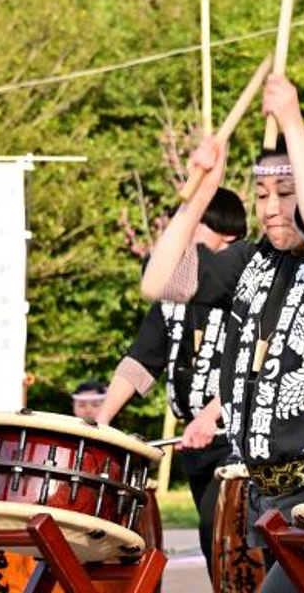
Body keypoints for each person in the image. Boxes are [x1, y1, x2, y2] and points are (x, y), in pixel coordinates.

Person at [141, 74, 304, 592]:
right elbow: (159, 281)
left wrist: (291, 120)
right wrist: (202, 193)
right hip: (273, 500)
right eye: (261, 193)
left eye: (285, 193)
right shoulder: (253, 260)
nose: (269, 208)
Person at [96, 187, 252, 578]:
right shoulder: (174, 298)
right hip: (197, 442)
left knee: (224, 536)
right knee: (213, 545)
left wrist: (211, 415)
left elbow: (253, 363)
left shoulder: (250, 281)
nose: (184, 234)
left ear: (227, 234)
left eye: (196, 224)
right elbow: (140, 360)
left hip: (240, 441)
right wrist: (100, 421)